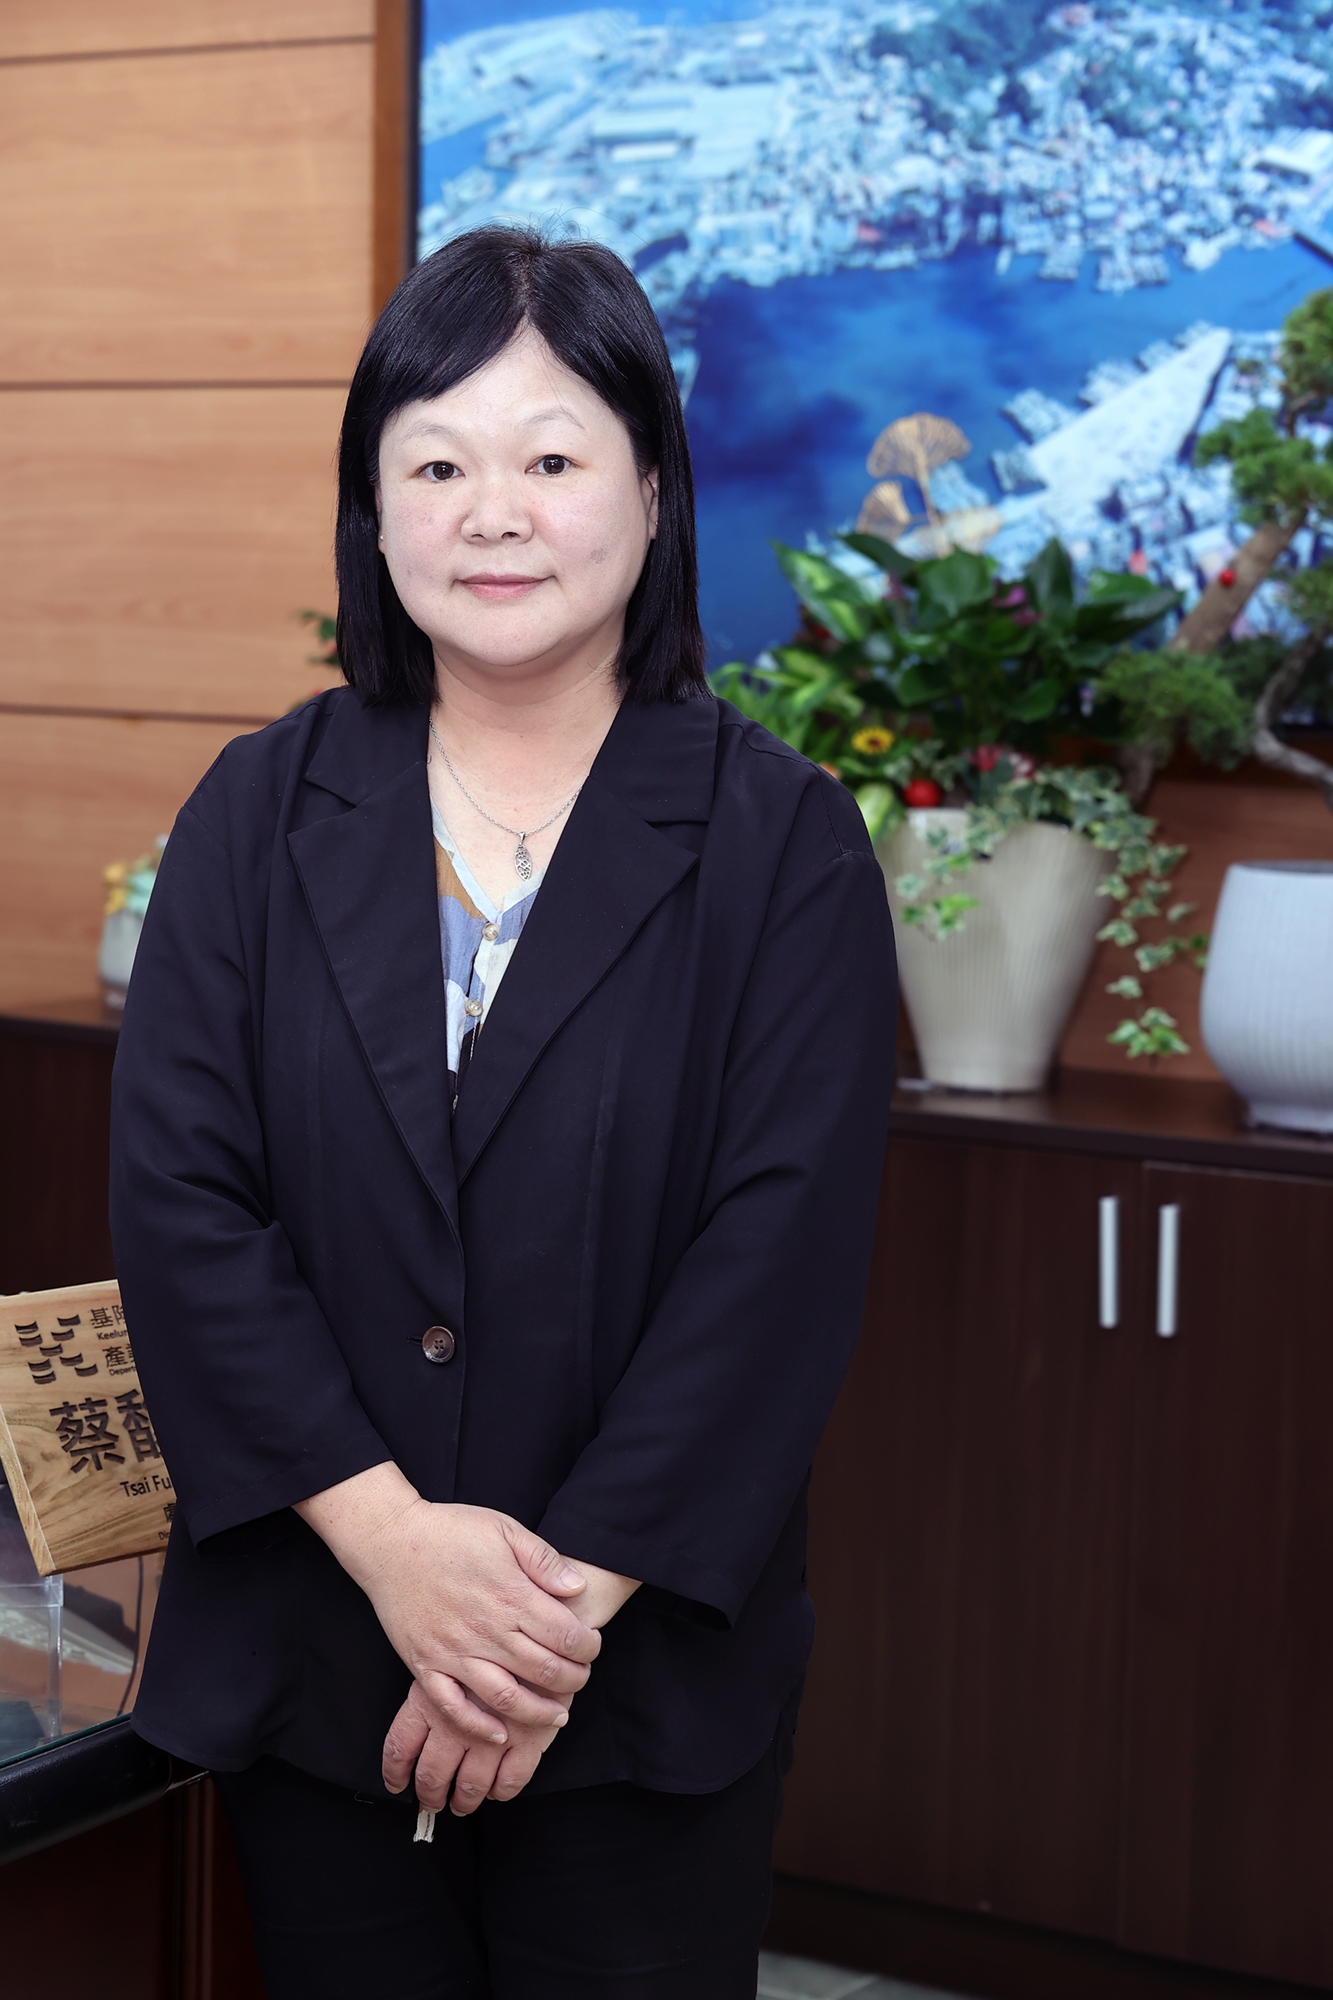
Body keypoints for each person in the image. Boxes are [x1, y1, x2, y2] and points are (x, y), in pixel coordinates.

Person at [110, 225, 896, 2000]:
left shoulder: (780, 843)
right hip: (321, 1651)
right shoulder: (256, 809)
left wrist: (533, 1633)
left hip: (636, 1679)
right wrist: (397, 1551)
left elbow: (775, 1263)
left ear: (650, 493)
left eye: (550, 460)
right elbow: (183, 1206)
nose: (494, 515)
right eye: (437, 465)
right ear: (373, 511)